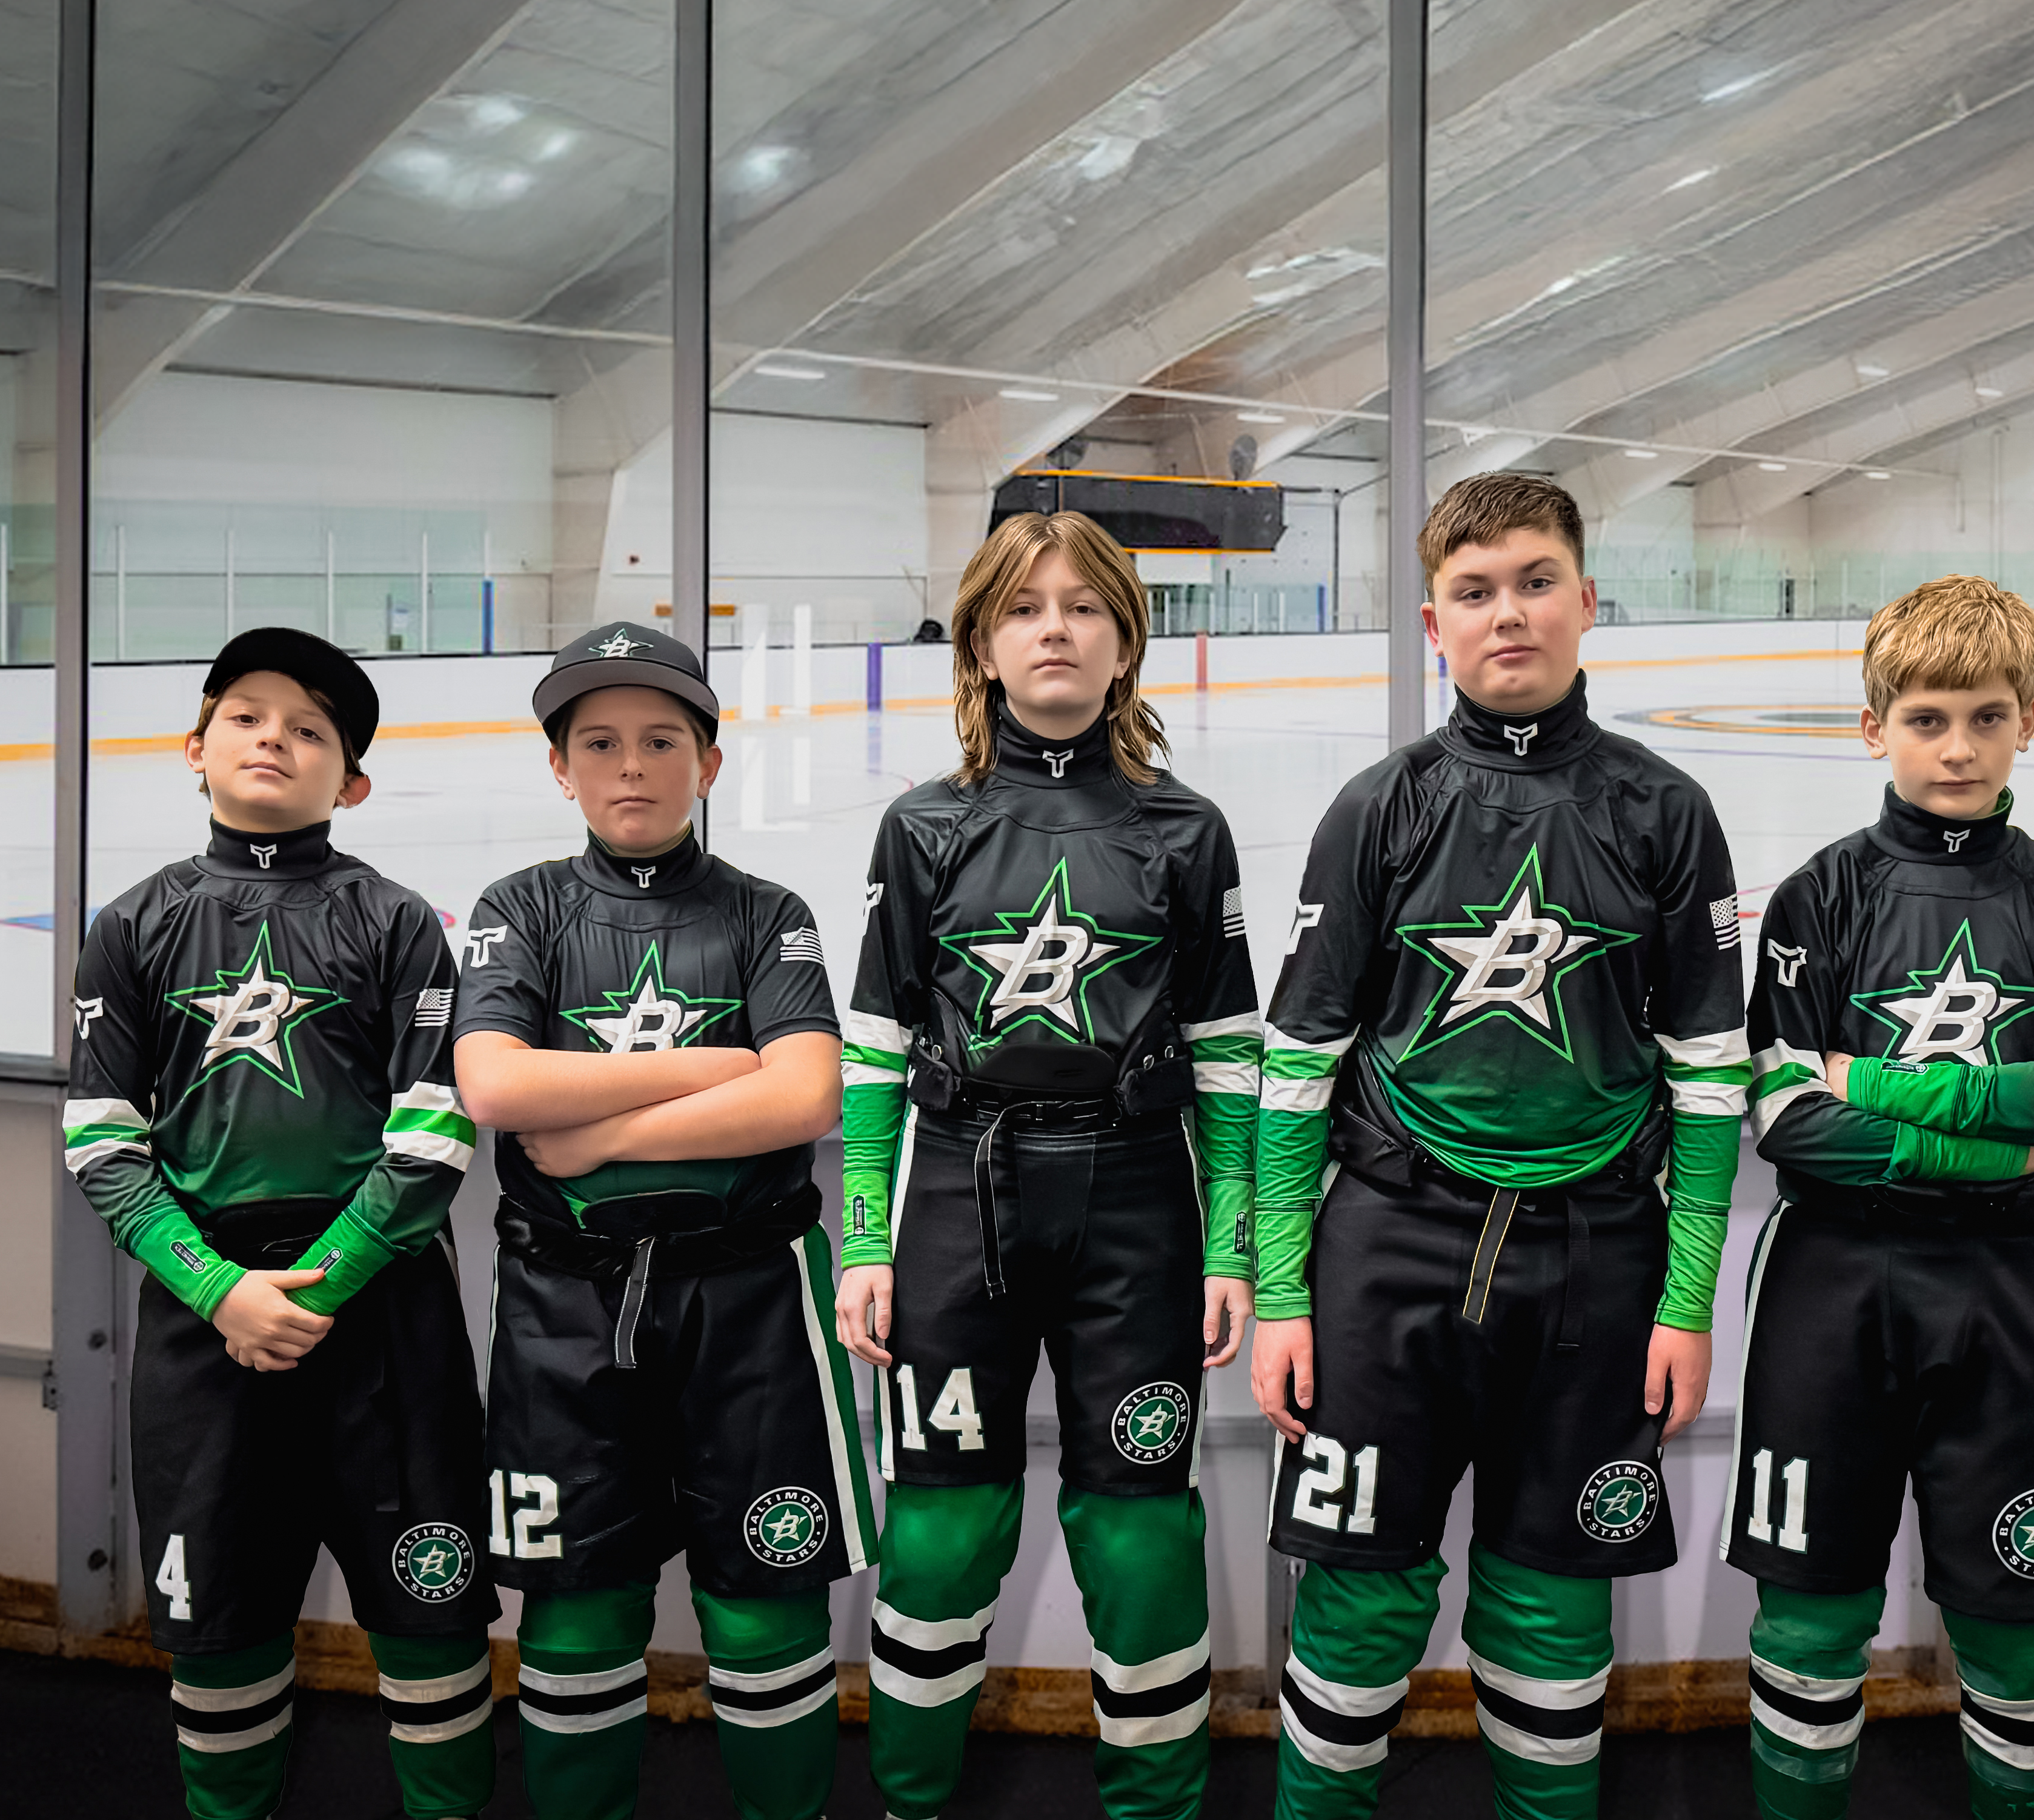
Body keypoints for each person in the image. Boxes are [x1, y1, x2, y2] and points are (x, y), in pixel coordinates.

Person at [1251, 471, 1750, 1820]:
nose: (1507, 612)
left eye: (1535, 580)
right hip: (1385, 1251)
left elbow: (1710, 1081)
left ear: (1586, 600)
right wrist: (1286, 1286)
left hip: (1598, 1263)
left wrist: (1688, 1299)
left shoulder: (1663, 811)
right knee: (1355, 1607)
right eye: (1474, 591)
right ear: (1433, 621)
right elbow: (1293, 1067)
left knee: (1549, 1606)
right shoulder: (1379, 805)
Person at [835, 510, 1259, 1820]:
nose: (1056, 627)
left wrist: (1233, 1240)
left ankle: (1157, 1804)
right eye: (1024, 606)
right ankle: (912, 1799)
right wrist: (863, 1233)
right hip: (961, 1197)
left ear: (1127, 641)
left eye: (1084, 605)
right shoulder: (922, 828)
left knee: (1141, 1530)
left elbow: (1228, 1056)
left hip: (1138, 1200)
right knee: (942, 1525)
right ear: (979, 641)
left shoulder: (1185, 830)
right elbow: (873, 1052)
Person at [65, 628, 494, 1820]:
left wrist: (327, 1276)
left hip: (383, 1312)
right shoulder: (133, 922)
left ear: (349, 780)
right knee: (220, 1628)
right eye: (249, 714)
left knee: (430, 1610)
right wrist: (219, 1291)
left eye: (310, 728)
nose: (276, 737)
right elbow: (101, 1140)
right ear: (192, 744)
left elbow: (432, 1136)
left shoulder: (398, 919)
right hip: (211, 1325)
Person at [452, 622, 872, 1820]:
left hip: (754, 1305)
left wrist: (591, 1134)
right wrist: (711, 1070)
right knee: (577, 1605)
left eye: (659, 739)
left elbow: (803, 1093)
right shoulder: (519, 907)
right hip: (563, 1310)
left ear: (709, 762)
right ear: (559, 766)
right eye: (598, 741)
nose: (629, 764)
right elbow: (495, 1088)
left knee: (767, 1604)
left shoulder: (764, 910)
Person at [1726, 575, 2034, 1820]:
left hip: (2013, 1298)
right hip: (1829, 1288)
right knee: (1808, 1608)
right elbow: (1789, 1123)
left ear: (2028, 720)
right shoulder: (1815, 894)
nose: (1956, 746)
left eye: (1985, 717)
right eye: (1927, 717)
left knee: (2020, 1623)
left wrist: (1875, 1082)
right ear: (1873, 726)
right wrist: (1989, 1146)